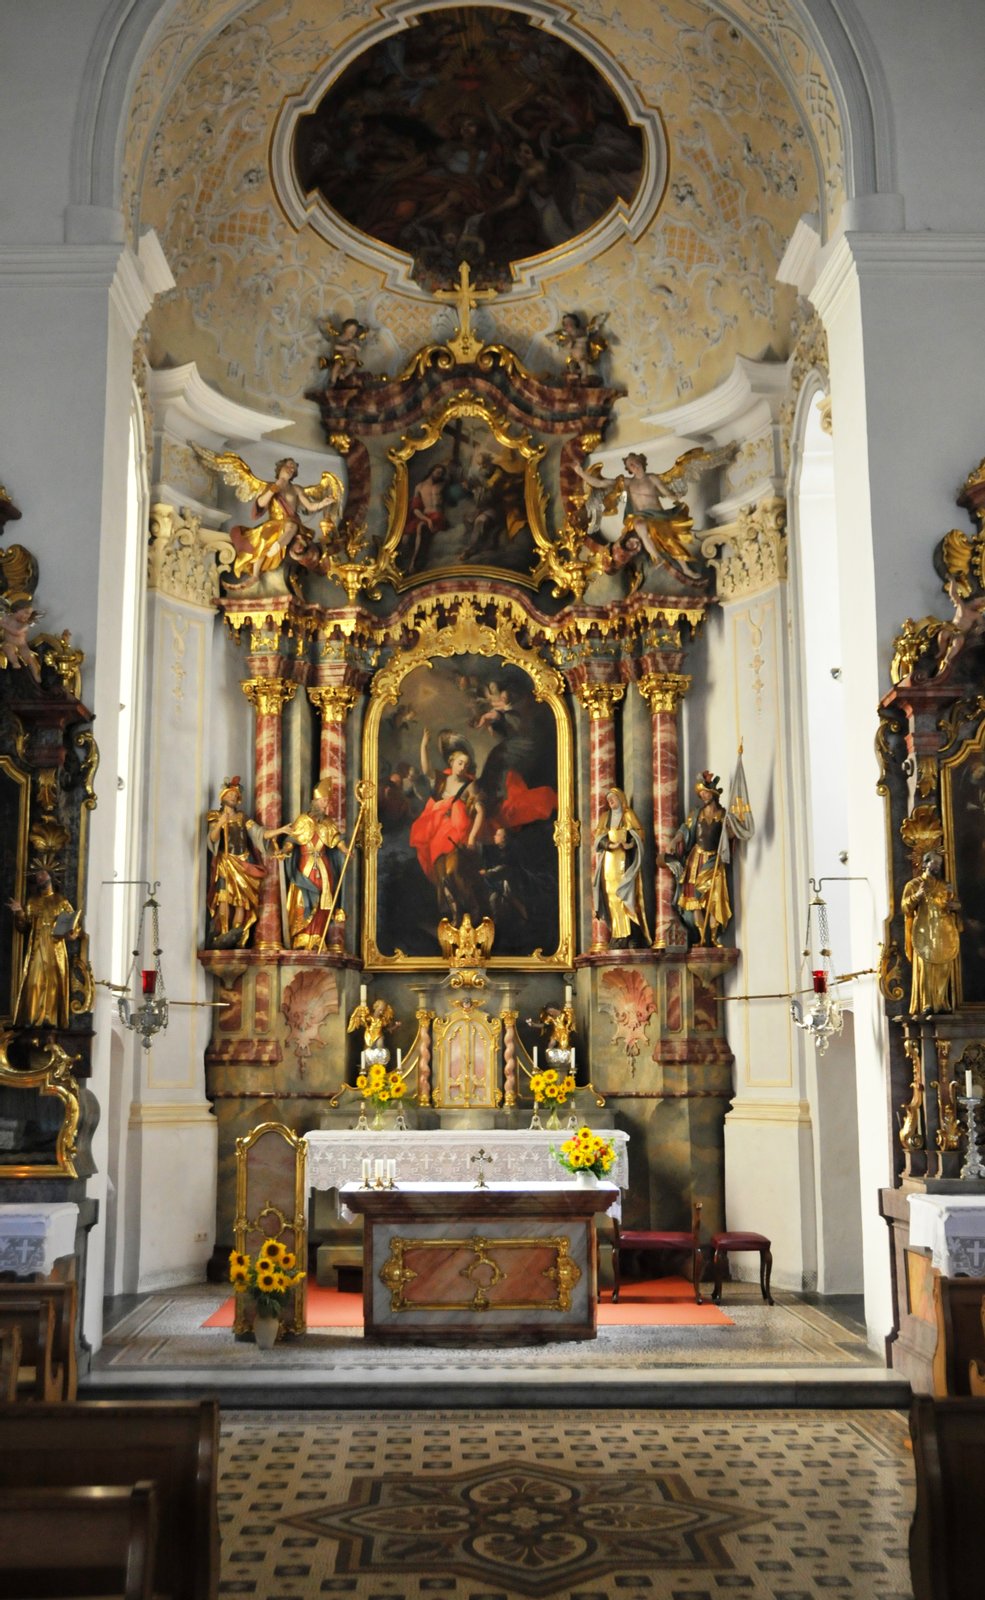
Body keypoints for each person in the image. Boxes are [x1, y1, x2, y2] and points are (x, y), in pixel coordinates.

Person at [192, 446, 343, 582]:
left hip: (291, 523)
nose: (291, 468)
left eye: (294, 467)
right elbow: (261, 503)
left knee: (290, 526)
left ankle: (278, 546)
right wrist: (274, 489)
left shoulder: (296, 489)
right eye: (289, 465)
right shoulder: (270, 487)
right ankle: (255, 574)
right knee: (263, 540)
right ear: (281, 467)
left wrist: (322, 504)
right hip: (275, 524)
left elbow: (310, 505)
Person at [574, 450, 703, 585]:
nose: (633, 465)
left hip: (658, 516)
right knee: (639, 525)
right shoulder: (628, 483)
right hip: (640, 516)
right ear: (629, 469)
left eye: (634, 461)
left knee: (668, 539)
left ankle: (685, 568)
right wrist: (581, 473)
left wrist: (675, 497)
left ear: (641, 461)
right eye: (630, 465)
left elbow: (667, 492)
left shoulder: (652, 478)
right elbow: (601, 484)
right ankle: (657, 557)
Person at [409, 728, 487, 924]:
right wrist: (423, 746)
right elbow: (426, 770)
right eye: (460, 763)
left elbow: (481, 812)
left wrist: (471, 838)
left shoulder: (469, 785)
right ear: (451, 762)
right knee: (443, 879)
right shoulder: (442, 780)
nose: (462, 767)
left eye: (466, 765)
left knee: (454, 873)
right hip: (439, 831)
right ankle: (455, 915)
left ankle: (474, 909)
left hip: (459, 830)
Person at [265, 780, 345, 950]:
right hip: (305, 865)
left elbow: (336, 839)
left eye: (327, 802)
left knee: (325, 899)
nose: (326, 805)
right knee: (303, 897)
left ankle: (317, 936)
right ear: (316, 801)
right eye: (324, 801)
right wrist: (285, 850)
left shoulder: (328, 823)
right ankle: (302, 936)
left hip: (324, 866)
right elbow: (292, 839)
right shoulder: (302, 820)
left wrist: (346, 849)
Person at [662, 772, 733, 946]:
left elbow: (731, 836)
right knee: (694, 900)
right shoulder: (696, 814)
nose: (703, 796)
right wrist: (674, 841)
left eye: (705, 793)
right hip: (695, 859)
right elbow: (684, 830)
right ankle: (701, 938)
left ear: (714, 793)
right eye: (701, 794)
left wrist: (735, 824)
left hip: (713, 861)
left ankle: (714, 938)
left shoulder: (723, 816)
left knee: (713, 899)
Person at [7, 869, 81, 1028]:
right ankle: (32, 1021)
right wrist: (19, 912)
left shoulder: (61, 901)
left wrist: (72, 933)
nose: (40, 877)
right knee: (34, 983)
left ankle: (51, 1021)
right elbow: (23, 927)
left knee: (53, 985)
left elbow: (74, 923)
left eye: (43, 874)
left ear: (51, 877)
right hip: (37, 947)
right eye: (38, 875)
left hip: (55, 949)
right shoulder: (32, 902)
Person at [206, 777, 267, 948]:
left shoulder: (242, 817)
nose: (233, 797)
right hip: (225, 862)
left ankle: (237, 935)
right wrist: (220, 824)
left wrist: (279, 831)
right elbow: (212, 839)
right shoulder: (215, 816)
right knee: (224, 899)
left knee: (242, 901)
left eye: (235, 795)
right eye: (230, 794)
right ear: (223, 796)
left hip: (243, 863)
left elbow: (259, 833)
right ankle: (224, 933)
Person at [901, 850, 962, 1014]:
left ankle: (941, 1002)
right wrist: (917, 896)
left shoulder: (944, 886)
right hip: (924, 932)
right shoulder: (913, 885)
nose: (937, 866)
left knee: (943, 967)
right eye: (934, 862)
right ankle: (926, 1003)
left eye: (939, 864)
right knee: (926, 967)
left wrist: (954, 906)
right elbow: (905, 907)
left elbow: (955, 904)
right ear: (925, 863)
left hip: (943, 932)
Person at [592, 787, 650, 948]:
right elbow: (597, 838)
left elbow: (640, 834)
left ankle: (629, 934)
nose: (610, 801)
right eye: (608, 799)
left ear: (621, 799)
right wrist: (610, 844)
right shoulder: (605, 817)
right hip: (609, 861)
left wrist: (629, 843)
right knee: (611, 896)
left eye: (613, 798)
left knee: (624, 895)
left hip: (625, 861)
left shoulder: (628, 815)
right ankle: (617, 934)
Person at [403, 463, 449, 571]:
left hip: (438, 516)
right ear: (431, 471)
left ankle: (415, 562)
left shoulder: (443, 485)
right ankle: (409, 563)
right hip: (425, 516)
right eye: (437, 472)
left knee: (421, 527)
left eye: (441, 473)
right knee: (406, 538)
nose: (439, 475)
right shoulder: (420, 487)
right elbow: (415, 509)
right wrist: (427, 519)